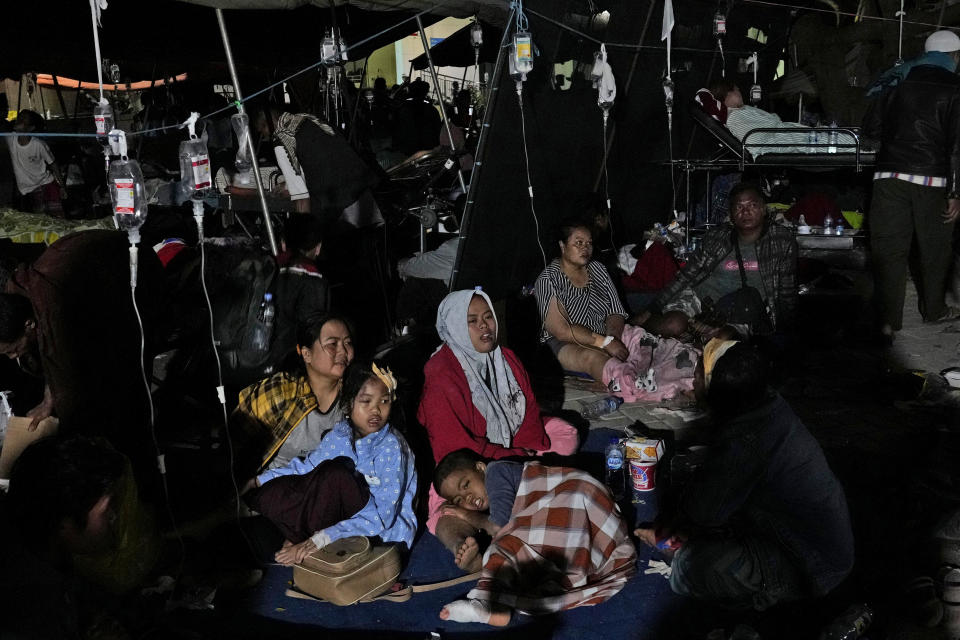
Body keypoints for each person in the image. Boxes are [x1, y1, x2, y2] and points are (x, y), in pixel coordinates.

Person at [636, 339, 854, 610]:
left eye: (698, 377)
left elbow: (701, 513)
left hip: (811, 567)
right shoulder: (766, 404)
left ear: (717, 391)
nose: (693, 384)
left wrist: (664, 539)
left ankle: (768, 600)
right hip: (809, 543)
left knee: (690, 567)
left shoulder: (746, 441)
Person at [418, 289, 581, 571]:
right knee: (443, 511)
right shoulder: (441, 375)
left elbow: (528, 410)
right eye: (472, 320)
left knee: (566, 437)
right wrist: (515, 456)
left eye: (488, 317)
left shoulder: (504, 357)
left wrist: (527, 450)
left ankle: (509, 502)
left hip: (507, 445)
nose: (485, 326)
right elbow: (455, 452)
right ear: (455, 326)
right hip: (464, 467)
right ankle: (465, 547)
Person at [0, 230, 163, 490]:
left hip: (137, 272)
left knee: (115, 389)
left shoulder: (53, 311)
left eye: (12, 349)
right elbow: (49, 353)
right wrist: (48, 399)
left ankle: (144, 474)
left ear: (29, 325)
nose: (12, 356)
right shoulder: (19, 292)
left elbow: (71, 395)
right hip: (108, 264)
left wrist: (67, 445)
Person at [433, 449, 636, 626]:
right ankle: (497, 603)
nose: (467, 497)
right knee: (528, 559)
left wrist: (465, 514)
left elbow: (499, 526)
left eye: (466, 484)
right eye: (459, 500)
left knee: (505, 546)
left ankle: (489, 601)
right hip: (597, 519)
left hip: (577, 495)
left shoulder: (495, 472)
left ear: (480, 468)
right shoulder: (493, 482)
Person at [242, 361, 417, 566]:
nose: (376, 410)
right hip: (338, 520)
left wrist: (319, 540)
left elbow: (382, 517)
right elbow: (306, 468)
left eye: (385, 401)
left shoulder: (391, 447)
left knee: (337, 476)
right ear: (349, 403)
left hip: (382, 535)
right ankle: (301, 536)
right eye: (366, 401)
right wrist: (257, 481)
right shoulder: (341, 433)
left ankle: (305, 541)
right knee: (286, 487)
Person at [862, 29, 960, 338]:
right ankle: (934, 310)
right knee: (935, 249)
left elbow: (871, 129)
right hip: (934, 178)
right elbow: (958, 146)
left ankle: (889, 320)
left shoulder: (896, 81)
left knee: (889, 249)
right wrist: (955, 191)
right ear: (955, 57)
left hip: (888, 177)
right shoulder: (956, 88)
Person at [534, 219, 699, 402]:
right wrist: (604, 342)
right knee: (596, 360)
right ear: (562, 246)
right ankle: (651, 387)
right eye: (578, 243)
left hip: (605, 333)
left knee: (651, 343)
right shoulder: (548, 279)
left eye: (589, 243)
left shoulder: (597, 269)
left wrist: (614, 338)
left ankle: (685, 376)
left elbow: (615, 311)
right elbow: (562, 330)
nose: (585, 248)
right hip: (567, 343)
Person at [0, 436, 128, 639]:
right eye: (105, 510)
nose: (113, 516)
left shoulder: (41, 545)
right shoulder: (32, 608)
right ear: (63, 524)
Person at [635, 183, 798, 342]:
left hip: (742, 308)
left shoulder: (781, 241)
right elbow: (686, 275)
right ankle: (640, 332)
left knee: (724, 338)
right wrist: (653, 308)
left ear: (763, 209)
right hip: (702, 299)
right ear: (732, 214)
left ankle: (694, 332)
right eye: (739, 207)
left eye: (752, 205)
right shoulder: (717, 238)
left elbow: (786, 291)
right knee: (672, 325)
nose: (746, 211)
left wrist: (783, 332)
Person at [231, 313, 354, 476]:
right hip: (274, 485)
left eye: (348, 343)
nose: (344, 351)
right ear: (306, 354)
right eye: (333, 344)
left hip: (325, 486)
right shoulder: (280, 392)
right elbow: (234, 442)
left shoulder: (355, 396)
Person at [254, 107, 381, 230]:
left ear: (266, 124)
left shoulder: (282, 140)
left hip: (338, 201)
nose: (264, 137)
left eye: (261, 132)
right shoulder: (307, 118)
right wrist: (288, 184)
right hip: (361, 187)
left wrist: (304, 237)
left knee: (344, 246)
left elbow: (301, 198)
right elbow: (317, 159)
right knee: (371, 243)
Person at [707, 81, 855, 157]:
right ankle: (857, 145)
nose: (739, 92)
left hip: (782, 133)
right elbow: (755, 143)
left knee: (825, 135)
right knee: (825, 140)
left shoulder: (742, 110)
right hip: (780, 138)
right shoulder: (735, 117)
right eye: (736, 90)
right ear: (726, 95)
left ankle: (857, 143)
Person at [269, 215, 330, 367]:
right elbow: (312, 328)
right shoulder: (312, 278)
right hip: (287, 362)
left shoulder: (269, 267)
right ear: (318, 247)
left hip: (255, 356)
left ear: (283, 243)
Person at [5, 109, 67, 216]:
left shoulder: (38, 144)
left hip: (47, 184)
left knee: (58, 218)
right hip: (31, 190)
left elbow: (53, 164)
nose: (19, 120)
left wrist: (62, 187)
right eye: (19, 117)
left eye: (23, 119)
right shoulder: (10, 138)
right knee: (41, 221)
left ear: (31, 128)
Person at [393, 79, 442, 156]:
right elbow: (438, 129)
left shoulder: (403, 109)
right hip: (427, 148)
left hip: (410, 148)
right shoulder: (431, 109)